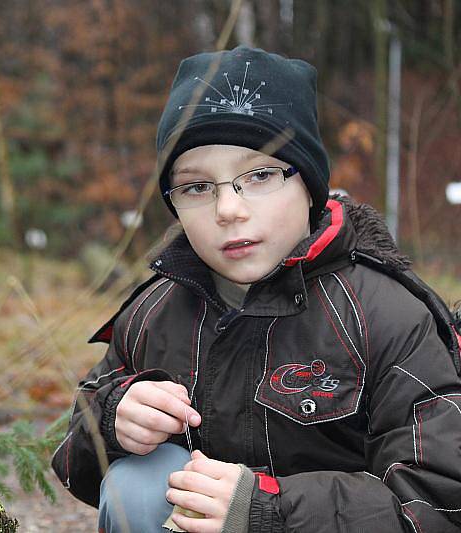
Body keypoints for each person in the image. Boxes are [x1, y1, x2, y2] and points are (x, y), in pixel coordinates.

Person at [51, 46, 461, 533]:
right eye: (197, 187)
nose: (228, 209)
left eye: (260, 175)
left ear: (309, 185)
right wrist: (113, 421)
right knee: (138, 482)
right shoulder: (152, 312)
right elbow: (73, 460)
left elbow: (439, 499)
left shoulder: (385, 313)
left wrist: (267, 510)